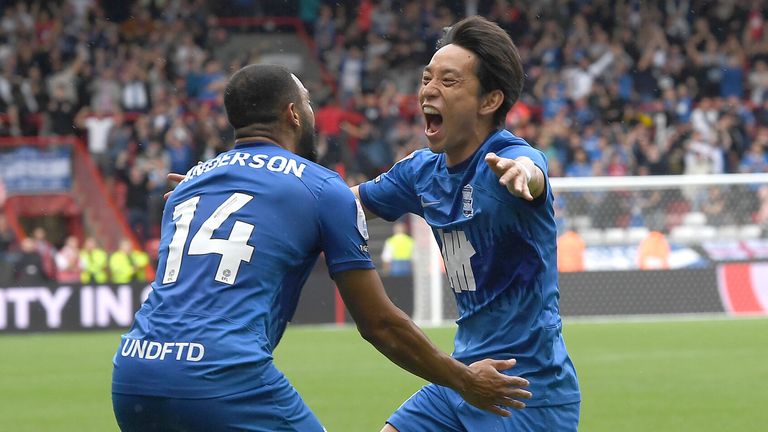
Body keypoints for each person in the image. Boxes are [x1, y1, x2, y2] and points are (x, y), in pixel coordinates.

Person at [113, 64, 530, 432]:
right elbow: (380, 325)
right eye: (308, 103)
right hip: (221, 376)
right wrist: (464, 381)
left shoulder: (190, 186)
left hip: (133, 374)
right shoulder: (320, 186)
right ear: (293, 114)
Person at [352, 16, 581, 431]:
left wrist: (524, 173)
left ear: (490, 100)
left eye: (449, 81)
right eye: (427, 78)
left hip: (524, 390)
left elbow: (532, 171)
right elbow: (342, 207)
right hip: (461, 376)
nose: (429, 89)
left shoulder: (507, 158)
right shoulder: (420, 173)